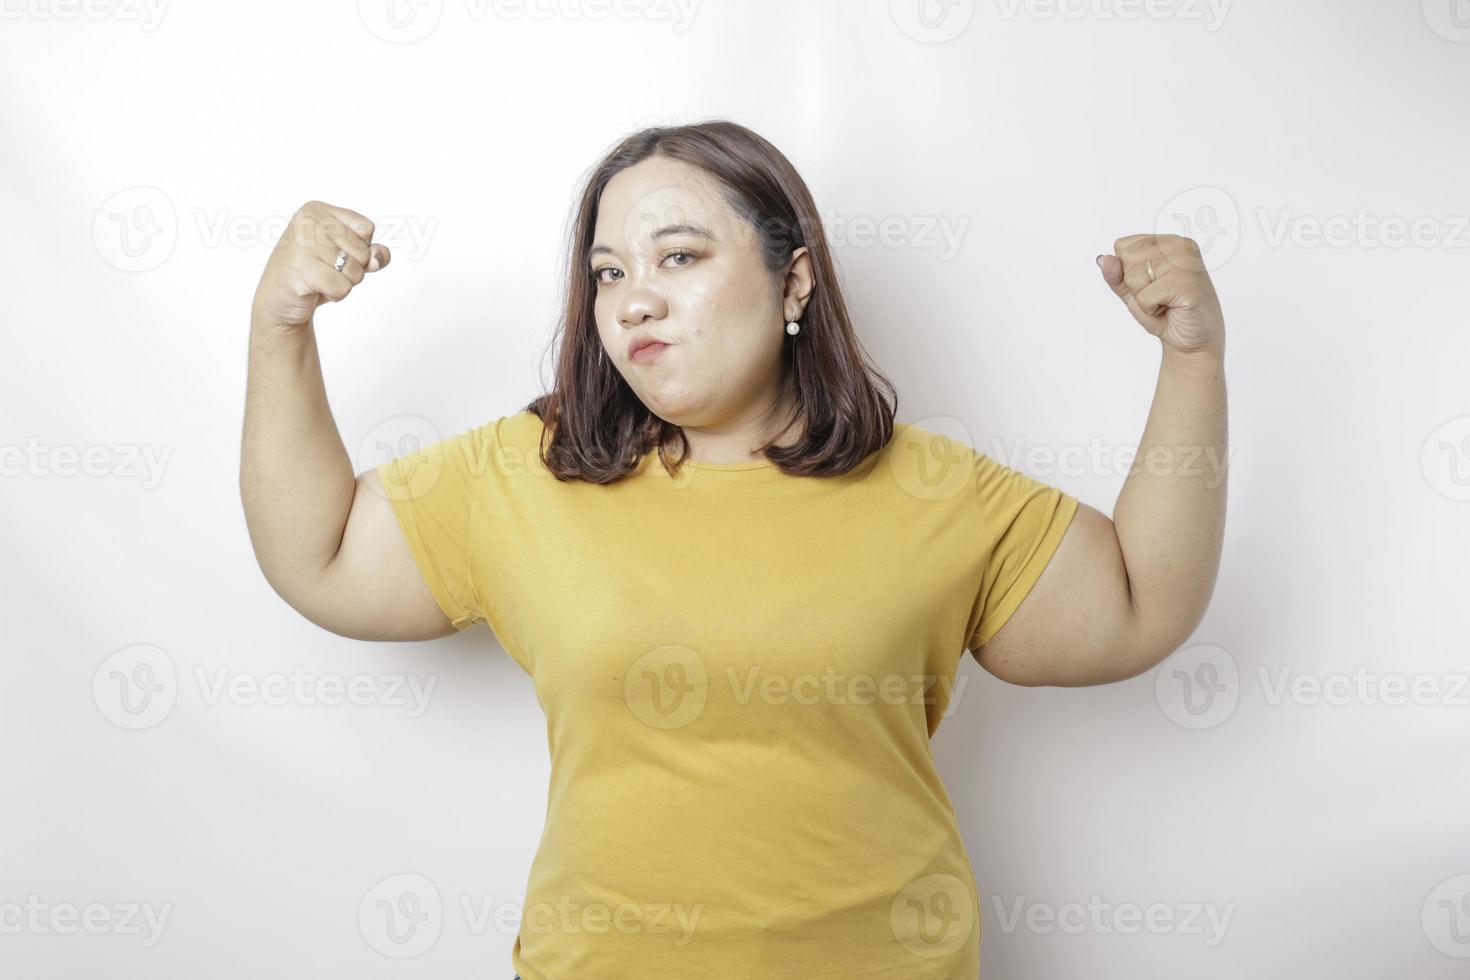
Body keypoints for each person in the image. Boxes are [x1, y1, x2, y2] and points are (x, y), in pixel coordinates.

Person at [239, 119, 1228, 978]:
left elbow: (1139, 604)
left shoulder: (931, 487)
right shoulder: (529, 471)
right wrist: (280, 325)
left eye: (678, 257)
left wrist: (1191, 359)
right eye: (609, 273)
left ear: (792, 277)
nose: (633, 301)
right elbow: (319, 555)